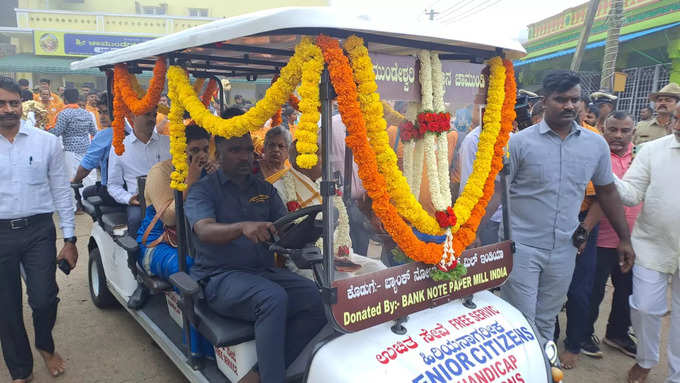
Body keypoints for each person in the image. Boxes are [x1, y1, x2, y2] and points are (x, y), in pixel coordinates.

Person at [500, 71, 635, 353]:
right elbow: (497, 192)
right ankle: (528, 367)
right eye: (561, 100)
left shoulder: (595, 144)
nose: (569, 106)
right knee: (522, 315)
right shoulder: (519, 143)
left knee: (547, 317)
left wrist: (624, 238)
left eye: (574, 100)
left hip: (565, 248)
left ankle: (545, 368)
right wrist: (469, 232)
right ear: (545, 102)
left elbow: (607, 191)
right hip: (521, 247)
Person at [185, 131, 326, 383]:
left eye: (248, 150)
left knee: (317, 298)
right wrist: (241, 227)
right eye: (235, 150)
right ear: (218, 150)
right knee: (272, 298)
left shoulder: (265, 190)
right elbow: (204, 230)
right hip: (219, 277)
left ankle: (260, 374)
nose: (244, 157)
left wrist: (312, 228)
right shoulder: (202, 191)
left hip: (262, 272)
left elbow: (284, 236)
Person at [0, 77, 77, 382]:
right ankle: (21, 370)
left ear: (23, 104)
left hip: (38, 230)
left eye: (13, 103)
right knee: (6, 307)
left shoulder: (46, 142)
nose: (8, 109)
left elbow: (61, 190)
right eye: (1, 104)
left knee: (44, 298)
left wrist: (70, 238)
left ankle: (45, 344)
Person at [617, 107, 680, 383]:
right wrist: (605, 176)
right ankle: (645, 360)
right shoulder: (653, 150)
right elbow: (631, 194)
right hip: (652, 244)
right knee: (644, 308)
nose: (676, 124)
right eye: (675, 117)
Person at [578, 112, 641, 361]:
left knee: (627, 290)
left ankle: (617, 334)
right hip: (601, 238)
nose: (618, 135)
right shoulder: (595, 153)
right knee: (593, 291)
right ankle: (583, 334)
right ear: (603, 129)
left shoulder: (641, 157)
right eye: (613, 129)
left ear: (632, 132)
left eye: (624, 131)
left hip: (634, 239)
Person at [107, 106, 170, 237]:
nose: (152, 119)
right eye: (147, 114)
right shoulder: (119, 147)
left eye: (154, 115)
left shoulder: (168, 143)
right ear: (133, 116)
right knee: (135, 220)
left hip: (168, 198)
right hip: (139, 202)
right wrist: (129, 199)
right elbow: (113, 185)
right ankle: (136, 256)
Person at [71, 96, 120, 206]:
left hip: (111, 192)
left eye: (106, 112)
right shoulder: (131, 129)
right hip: (133, 188)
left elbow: (85, 168)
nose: (102, 117)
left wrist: (75, 180)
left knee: (86, 192)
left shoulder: (104, 135)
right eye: (100, 112)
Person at [633, 82, 679, 149]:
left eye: (668, 100)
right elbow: (633, 149)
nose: (662, 103)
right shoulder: (640, 126)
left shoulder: (677, 128)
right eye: (659, 100)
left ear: (678, 104)